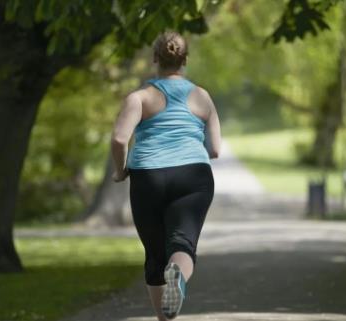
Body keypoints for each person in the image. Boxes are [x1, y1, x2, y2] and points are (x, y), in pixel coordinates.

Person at [110, 30, 221, 321]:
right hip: (193, 177)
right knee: (182, 244)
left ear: (155, 58)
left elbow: (120, 139)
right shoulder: (201, 96)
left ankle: (165, 317)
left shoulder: (139, 97)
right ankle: (179, 278)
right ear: (185, 60)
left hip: (148, 177)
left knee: (155, 255)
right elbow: (216, 149)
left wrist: (120, 171)